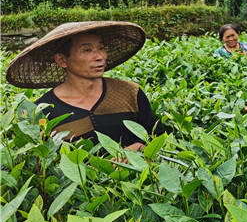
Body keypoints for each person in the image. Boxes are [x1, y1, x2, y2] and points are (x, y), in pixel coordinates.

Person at [6, 21, 162, 150]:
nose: (99, 57)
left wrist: (139, 147)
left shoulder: (130, 93)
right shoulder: (43, 110)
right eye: (87, 50)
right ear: (62, 60)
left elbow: (158, 137)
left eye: (101, 48)